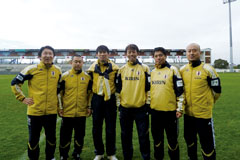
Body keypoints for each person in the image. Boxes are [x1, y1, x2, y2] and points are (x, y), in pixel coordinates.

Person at [11, 46, 62, 160]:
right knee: (33, 139)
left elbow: (59, 91)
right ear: (39, 56)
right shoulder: (31, 69)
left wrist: (59, 106)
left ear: (53, 56)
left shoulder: (58, 70)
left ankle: (50, 157)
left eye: (50, 53)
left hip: (51, 112)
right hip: (35, 112)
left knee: (51, 138)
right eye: (45, 53)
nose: (48, 56)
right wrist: (22, 98)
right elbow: (15, 83)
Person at [180, 43, 221, 160]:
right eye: (189, 51)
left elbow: (217, 90)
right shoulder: (182, 70)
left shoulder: (208, 69)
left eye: (194, 50)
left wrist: (208, 103)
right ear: (186, 53)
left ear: (200, 53)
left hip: (204, 115)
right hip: (188, 115)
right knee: (190, 141)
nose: (191, 53)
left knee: (207, 145)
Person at [116, 44, 150, 160]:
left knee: (143, 135)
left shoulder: (144, 68)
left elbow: (148, 88)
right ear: (126, 54)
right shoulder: (121, 70)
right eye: (129, 52)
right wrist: (119, 105)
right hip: (125, 109)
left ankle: (145, 156)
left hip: (140, 108)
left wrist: (147, 104)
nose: (131, 54)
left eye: (133, 52)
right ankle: (127, 157)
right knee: (126, 135)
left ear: (137, 53)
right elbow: (118, 90)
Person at [150, 47, 184, 160]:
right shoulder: (153, 72)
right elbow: (150, 92)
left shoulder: (173, 70)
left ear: (165, 56)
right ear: (153, 58)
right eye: (156, 56)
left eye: (160, 55)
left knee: (172, 141)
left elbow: (180, 91)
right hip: (155, 113)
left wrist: (179, 109)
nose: (158, 57)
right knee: (157, 140)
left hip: (170, 113)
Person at [87, 45, 119, 160]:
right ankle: (99, 152)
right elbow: (89, 89)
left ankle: (111, 153)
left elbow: (118, 86)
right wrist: (89, 105)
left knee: (111, 128)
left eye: (104, 52)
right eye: (100, 52)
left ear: (108, 54)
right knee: (96, 128)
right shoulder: (91, 68)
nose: (102, 54)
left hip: (110, 100)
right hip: (97, 99)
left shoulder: (115, 68)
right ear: (97, 54)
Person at [58, 55, 92, 160]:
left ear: (83, 63)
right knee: (65, 136)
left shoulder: (87, 77)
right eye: (75, 61)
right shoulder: (64, 76)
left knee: (80, 136)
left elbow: (90, 94)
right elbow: (59, 93)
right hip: (67, 112)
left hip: (81, 113)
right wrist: (60, 107)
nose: (77, 64)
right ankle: (63, 155)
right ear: (71, 63)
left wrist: (89, 106)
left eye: (80, 62)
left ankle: (77, 153)